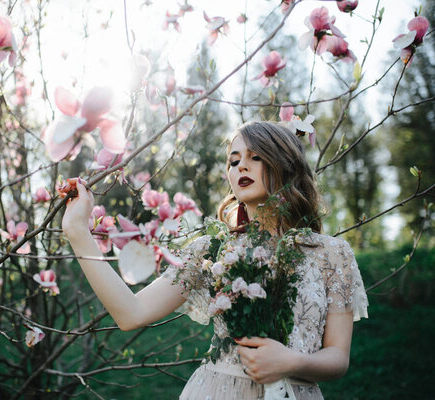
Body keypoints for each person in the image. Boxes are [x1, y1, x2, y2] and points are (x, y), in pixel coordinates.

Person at [61, 121, 369, 399]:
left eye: (255, 157)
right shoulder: (211, 252)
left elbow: (338, 359)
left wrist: (292, 361)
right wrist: (78, 231)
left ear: (286, 164)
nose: (240, 167)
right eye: (234, 161)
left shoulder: (332, 254)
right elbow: (131, 313)